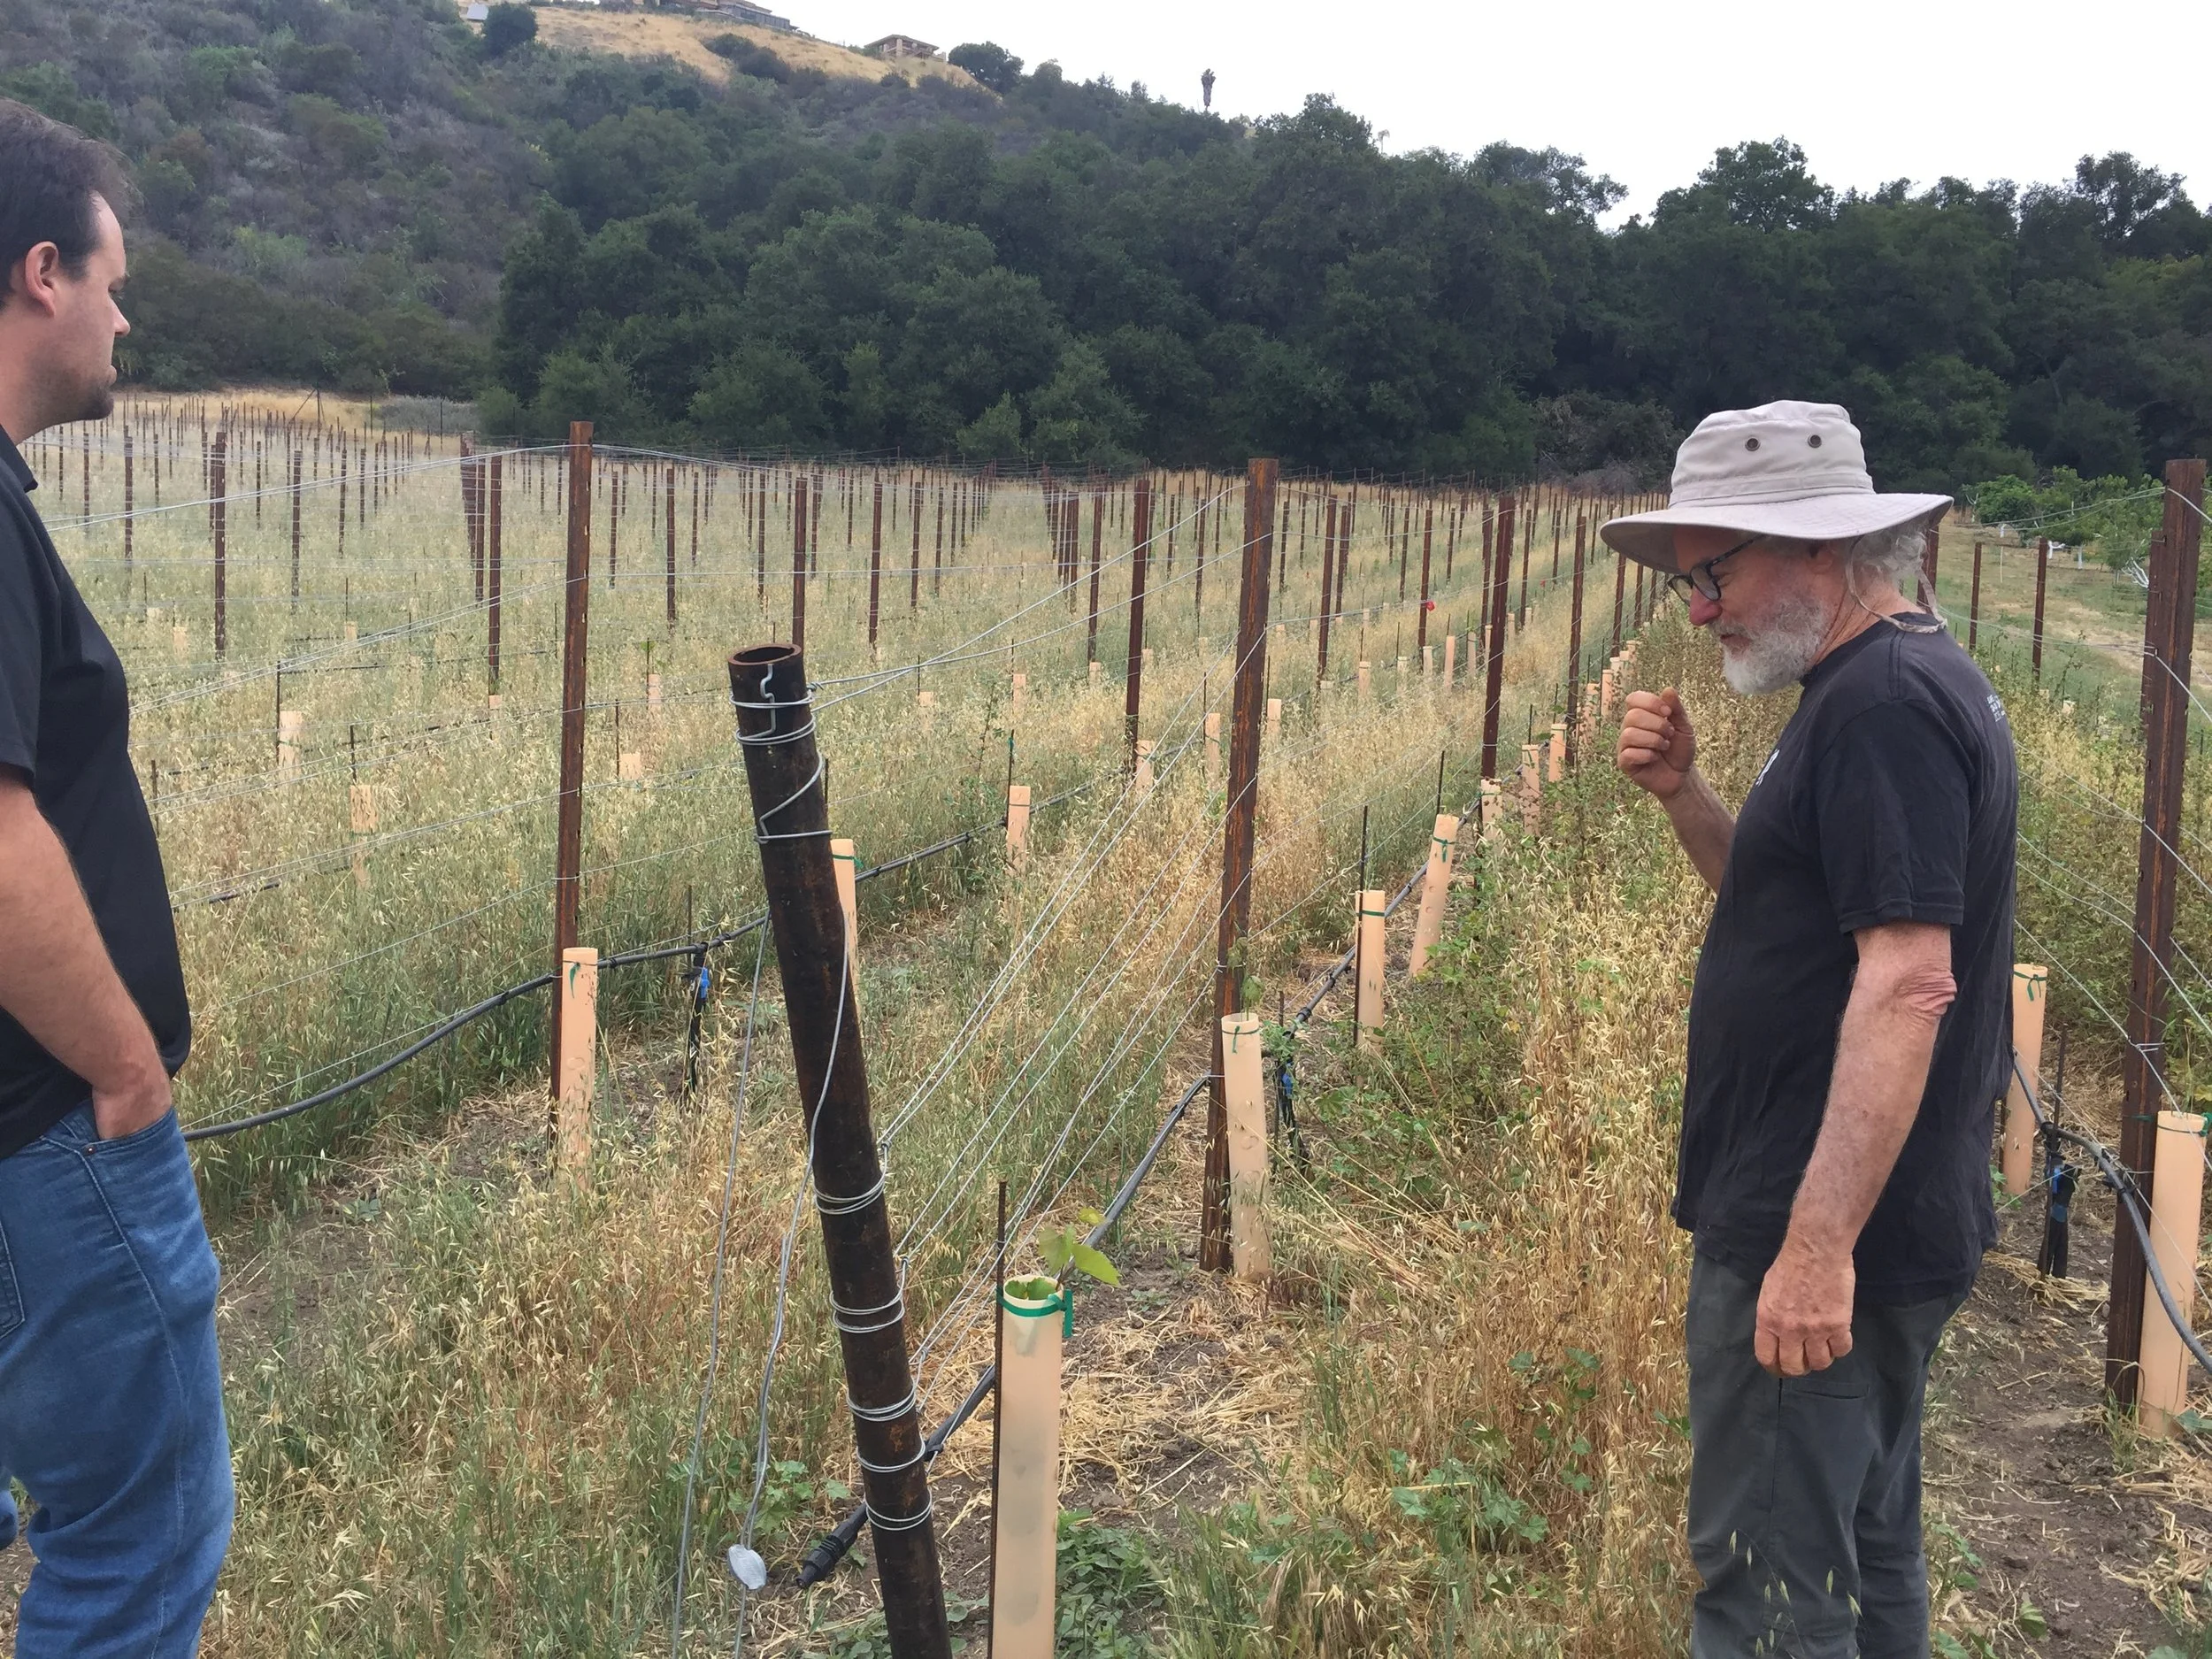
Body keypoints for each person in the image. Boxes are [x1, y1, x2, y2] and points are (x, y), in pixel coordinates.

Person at [1604, 401, 2016, 1658]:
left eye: (1713, 573)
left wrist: (1814, 1247)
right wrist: (1686, 796)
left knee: (1769, 1598)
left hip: (1828, 1231)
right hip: (1872, 1220)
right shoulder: (1871, 680)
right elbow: (1805, 921)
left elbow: (1904, 984)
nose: (1698, 609)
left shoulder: (1882, 707)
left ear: (1821, 549)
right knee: (1864, 1546)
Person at [0, 101, 233, 1655]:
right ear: (38, 277)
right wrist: (126, 1071)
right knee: (136, 1545)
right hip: (46, 1130)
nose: (124, 314)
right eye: (110, 279)